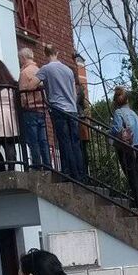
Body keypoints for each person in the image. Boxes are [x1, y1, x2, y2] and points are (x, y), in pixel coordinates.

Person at [37, 46, 85, 180]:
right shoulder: (68, 70)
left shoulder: (46, 69)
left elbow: (32, 84)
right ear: (57, 53)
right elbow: (74, 91)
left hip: (58, 109)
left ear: (45, 53)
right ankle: (80, 174)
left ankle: (69, 172)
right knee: (75, 142)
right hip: (72, 109)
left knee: (64, 142)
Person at [109, 87, 138, 217]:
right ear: (127, 100)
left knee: (133, 178)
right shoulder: (134, 114)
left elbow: (116, 129)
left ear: (116, 101)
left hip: (128, 149)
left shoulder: (119, 113)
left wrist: (110, 136)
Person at [17, 48, 53, 170]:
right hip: (41, 109)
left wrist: (21, 106)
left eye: (20, 58)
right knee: (43, 139)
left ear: (23, 58)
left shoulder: (24, 73)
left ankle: (37, 166)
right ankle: (48, 165)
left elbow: (22, 94)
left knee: (33, 141)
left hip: (30, 109)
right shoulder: (39, 70)